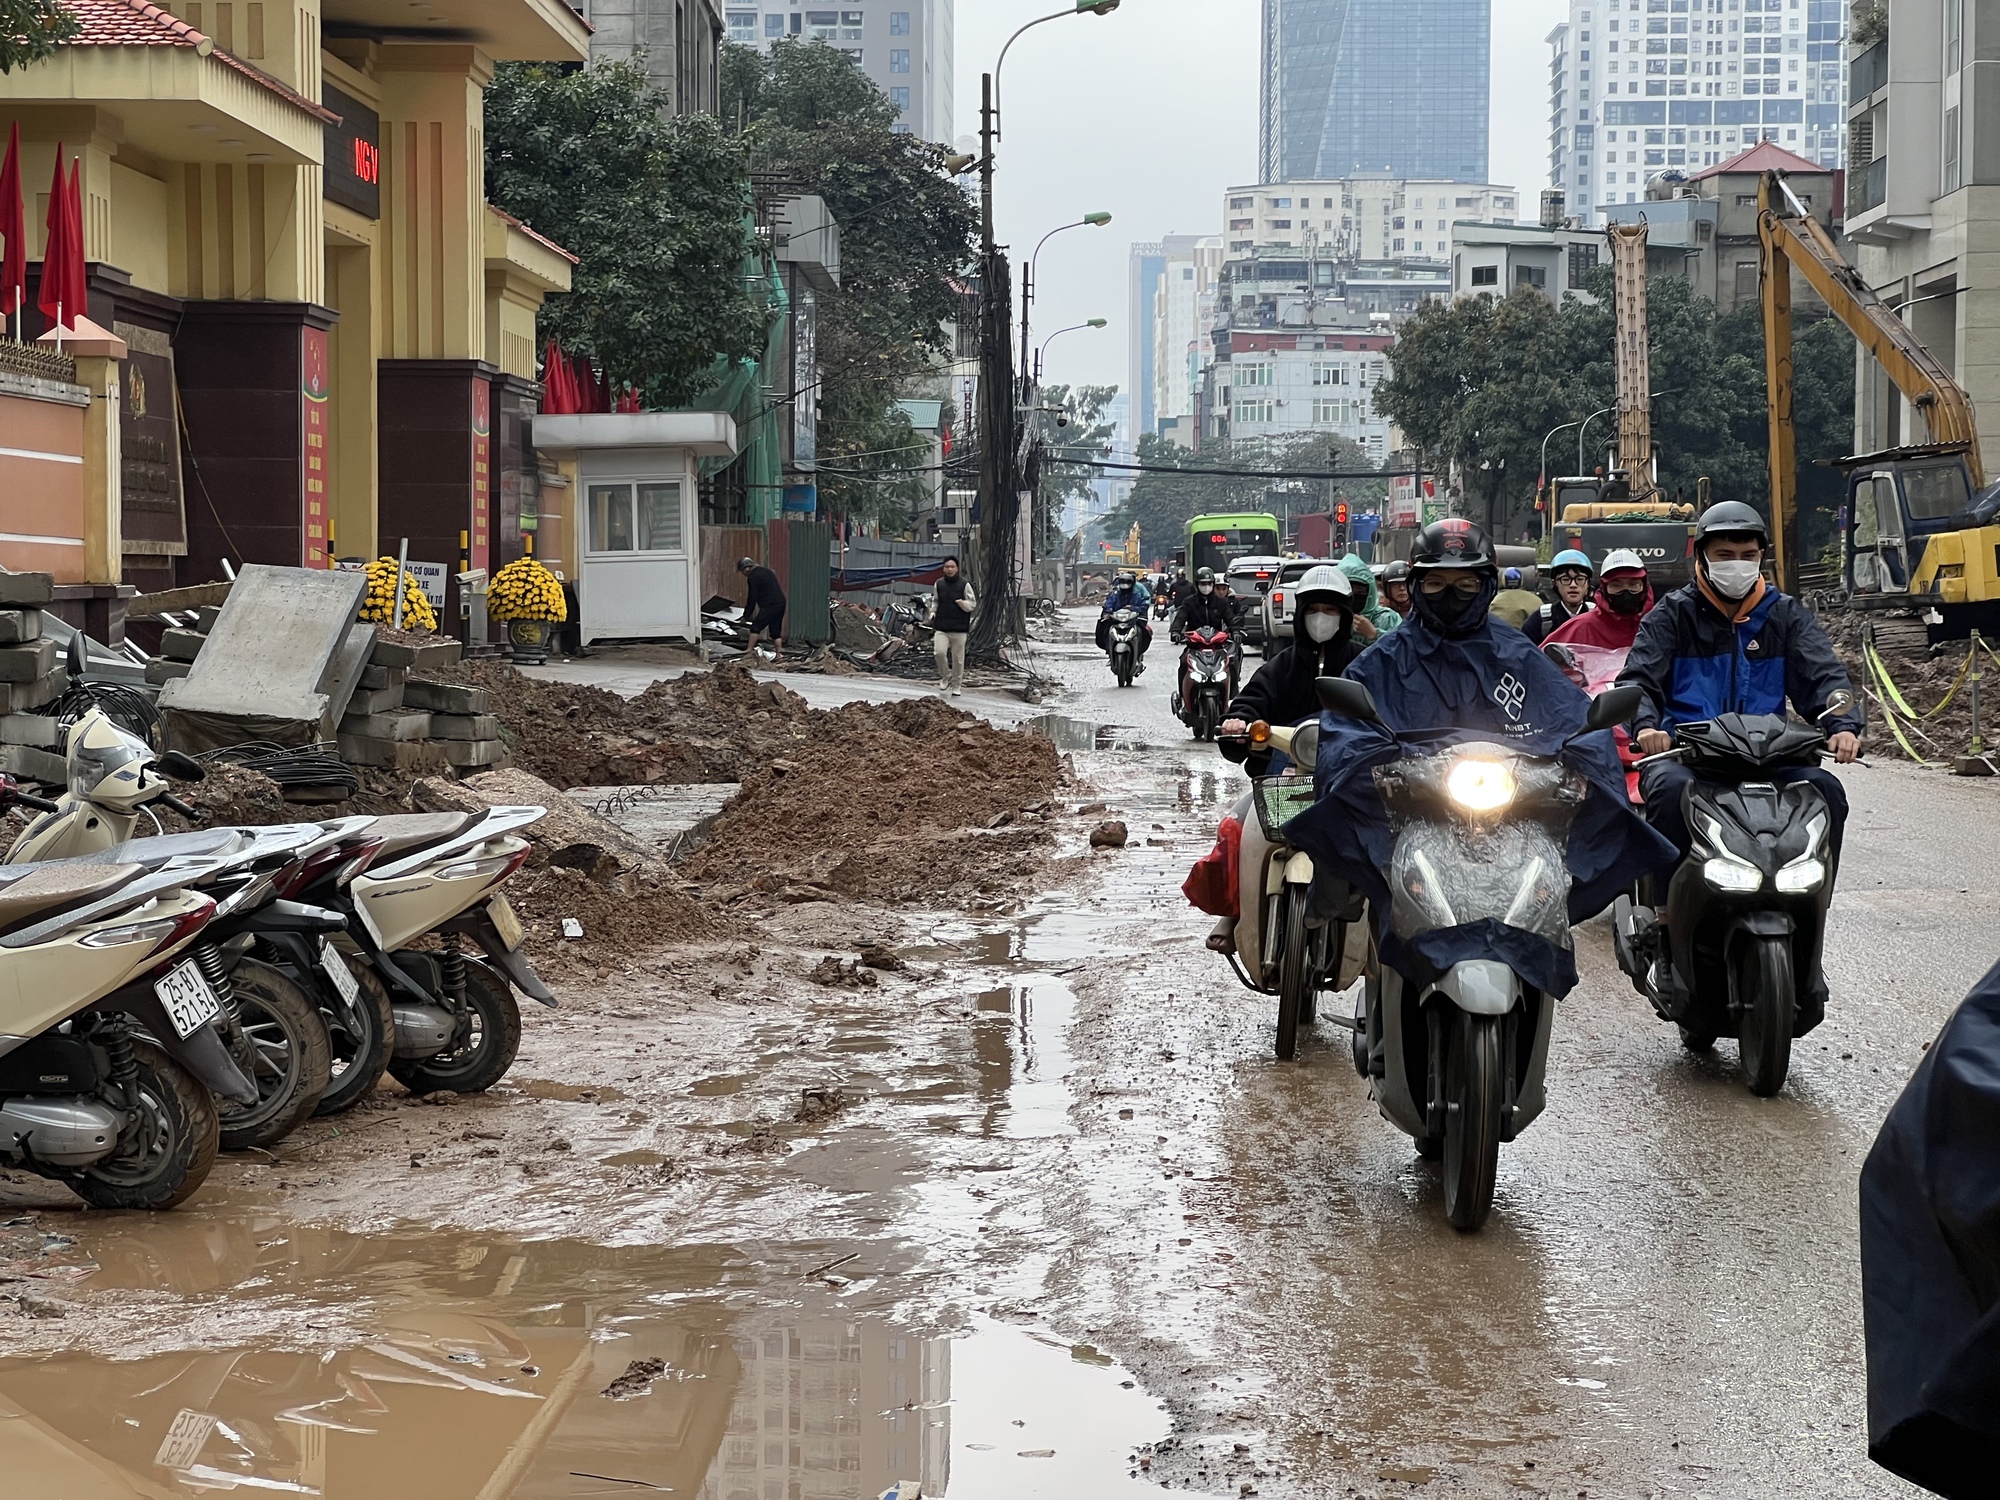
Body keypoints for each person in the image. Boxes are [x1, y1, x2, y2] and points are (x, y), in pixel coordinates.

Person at [1283, 518, 1676, 1001]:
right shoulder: (1382, 661)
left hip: (1511, 817)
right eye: (1436, 583)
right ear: (1415, 585)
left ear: (1486, 584)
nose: (1452, 594)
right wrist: (1376, 765)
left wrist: (1579, 762)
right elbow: (1346, 736)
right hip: (1414, 813)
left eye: (1466, 583)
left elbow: (1572, 722)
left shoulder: (1520, 656)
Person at [1618, 500, 1863, 867]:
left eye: (1748, 555)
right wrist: (1648, 727)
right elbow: (1639, 680)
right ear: (1702, 557)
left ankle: (1813, 904)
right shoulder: (1671, 616)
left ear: (1761, 557)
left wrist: (1842, 726)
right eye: (1725, 554)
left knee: (1827, 791)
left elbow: (1822, 674)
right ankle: (1666, 905)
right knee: (1667, 790)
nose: (1738, 563)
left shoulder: (1785, 616)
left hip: (1771, 757)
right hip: (1689, 758)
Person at [1218, 564, 1362, 769]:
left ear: (1345, 615)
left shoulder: (1364, 662)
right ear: (1300, 614)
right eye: (1312, 610)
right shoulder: (1280, 667)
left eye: (1330, 610)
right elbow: (1252, 700)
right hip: (1285, 781)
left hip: (1351, 775)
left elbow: (1389, 707)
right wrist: (1238, 721)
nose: (1320, 617)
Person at [1543, 548, 1654, 651]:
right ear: (1604, 589)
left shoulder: (1659, 627)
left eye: (1634, 584)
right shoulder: (1581, 628)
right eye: (1616, 585)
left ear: (1644, 587)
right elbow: (1538, 661)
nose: (1626, 592)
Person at [1523, 549, 1596, 645]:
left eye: (1580, 579)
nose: (1573, 585)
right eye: (1565, 579)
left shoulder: (1598, 618)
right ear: (1555, 583)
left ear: (1588, 583)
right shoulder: (1541, 620)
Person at [929, 556, 975, 697]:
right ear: (943, 569)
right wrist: (932, 612)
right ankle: (945, 675)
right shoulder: (939, 584)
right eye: (947, 567)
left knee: (958, 659)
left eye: (952, 567)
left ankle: (956, 685)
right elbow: (935, 601)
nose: (949, 569)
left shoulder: (964, 584)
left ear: (957, 568)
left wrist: (963, 604)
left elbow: (972, 604)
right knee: (939, 652)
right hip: (942, 626)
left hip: (959, 628)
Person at [1097, 570, 1154, 672]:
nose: (1125, 585)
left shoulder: (1136, 594)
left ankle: (1139, 653)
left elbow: (1143, 604)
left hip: (1132, 621)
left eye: (1127, 583)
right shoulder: (1115, 595)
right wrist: (1108, 612)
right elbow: (1109, 604)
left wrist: (1134, 608)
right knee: (1104, 629)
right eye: (1123, 582)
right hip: (1116, 621)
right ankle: (1109, 651)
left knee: (1143, 631)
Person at [1338, 553, 1401, 641]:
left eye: (1360, 592)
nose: (1355, 597)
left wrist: (1374, 634)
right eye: (1350, 591)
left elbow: (1402, 649)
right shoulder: (1332, 617)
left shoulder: (1387, 618)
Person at [738, 556, 786, 653]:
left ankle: (749, 650)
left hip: (770, 605)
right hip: (781, 603)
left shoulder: (753, 576)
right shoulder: (766, 571)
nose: (743, 574)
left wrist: (746, 616)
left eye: (742, 571)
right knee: (775, 629)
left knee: (756, 626)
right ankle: (779, 654)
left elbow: (752, 598)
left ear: (746, 569)